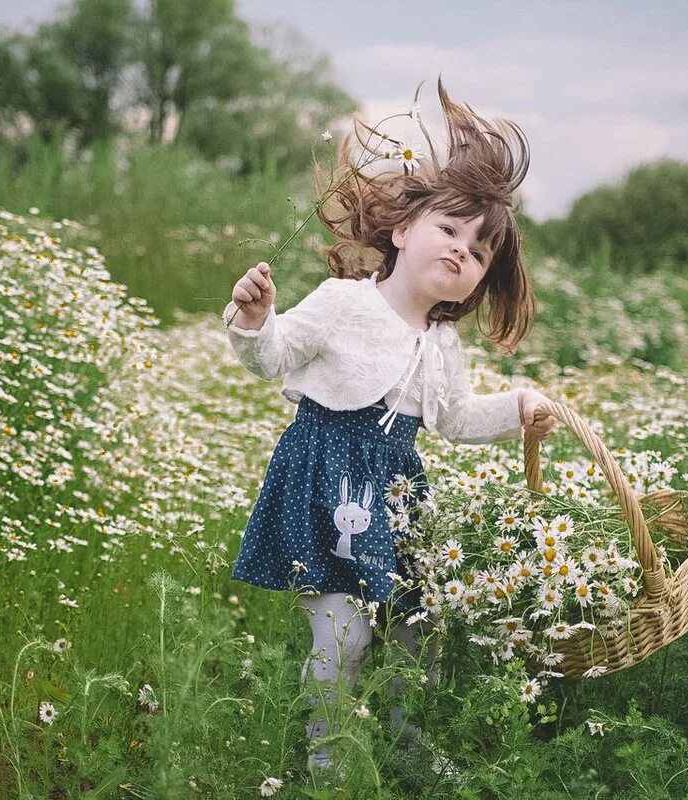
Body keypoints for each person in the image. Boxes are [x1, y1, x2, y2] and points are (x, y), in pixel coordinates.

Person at [220, 78, 557, 773]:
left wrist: (518, 406)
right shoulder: (345, 303)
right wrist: (254, 322)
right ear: (403, 231)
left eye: (480, 250)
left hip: (399, 499)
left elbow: (456, 419)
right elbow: (273, 357)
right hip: (324, 482)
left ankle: (405, 752)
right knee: (343, 637)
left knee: (415, 634)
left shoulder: (443, 344)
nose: (463, 250)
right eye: (450, 229)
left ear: (478, 280)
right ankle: (330, 762)